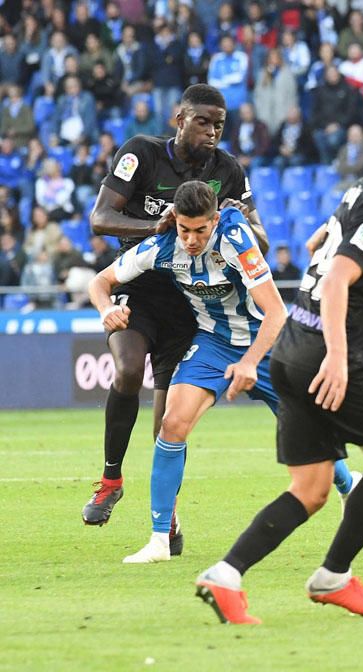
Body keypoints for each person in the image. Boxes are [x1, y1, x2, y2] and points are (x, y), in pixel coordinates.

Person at [195, 96, 363, 623]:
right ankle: (333, 577)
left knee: (309, 489)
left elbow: (317, 243)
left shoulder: (360, 189)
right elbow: (334, 277)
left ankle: (225, 575)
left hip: (288, 349)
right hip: (326, 357)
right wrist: (336, 355)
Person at [88, 182, 356, 563]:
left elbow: (276, 312)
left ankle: (349, 485)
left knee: (308, 434)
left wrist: (249, 362)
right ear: (174, 221)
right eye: (185, 230)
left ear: (214, 221)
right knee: (172, 424)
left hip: (268, 342)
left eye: (201, 230)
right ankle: (160, 540)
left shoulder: (236, 239)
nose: (192, 239)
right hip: (214, 343)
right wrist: (104, 310)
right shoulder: (162, 245)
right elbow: (100, 281)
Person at [80, 85, 267, 533]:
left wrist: (240, 220)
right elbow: (100, 218)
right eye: (203, 121)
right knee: (126, 371)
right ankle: (110, 480)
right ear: (178, 119)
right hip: (139, 281)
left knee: (169, 420)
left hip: (192, 297)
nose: (212, 131)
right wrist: (158, 228)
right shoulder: (141, 154)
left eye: (219, 124)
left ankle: (168, 515)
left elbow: (261, 239)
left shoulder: (228, 170)